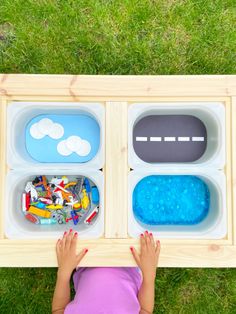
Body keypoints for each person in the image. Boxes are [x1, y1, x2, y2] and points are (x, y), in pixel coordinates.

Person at [52, 229, 161, 314]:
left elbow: (59, 309)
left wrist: (64, 272)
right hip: (130, 263)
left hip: (86, 260)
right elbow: (145, 310)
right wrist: (149, 274)